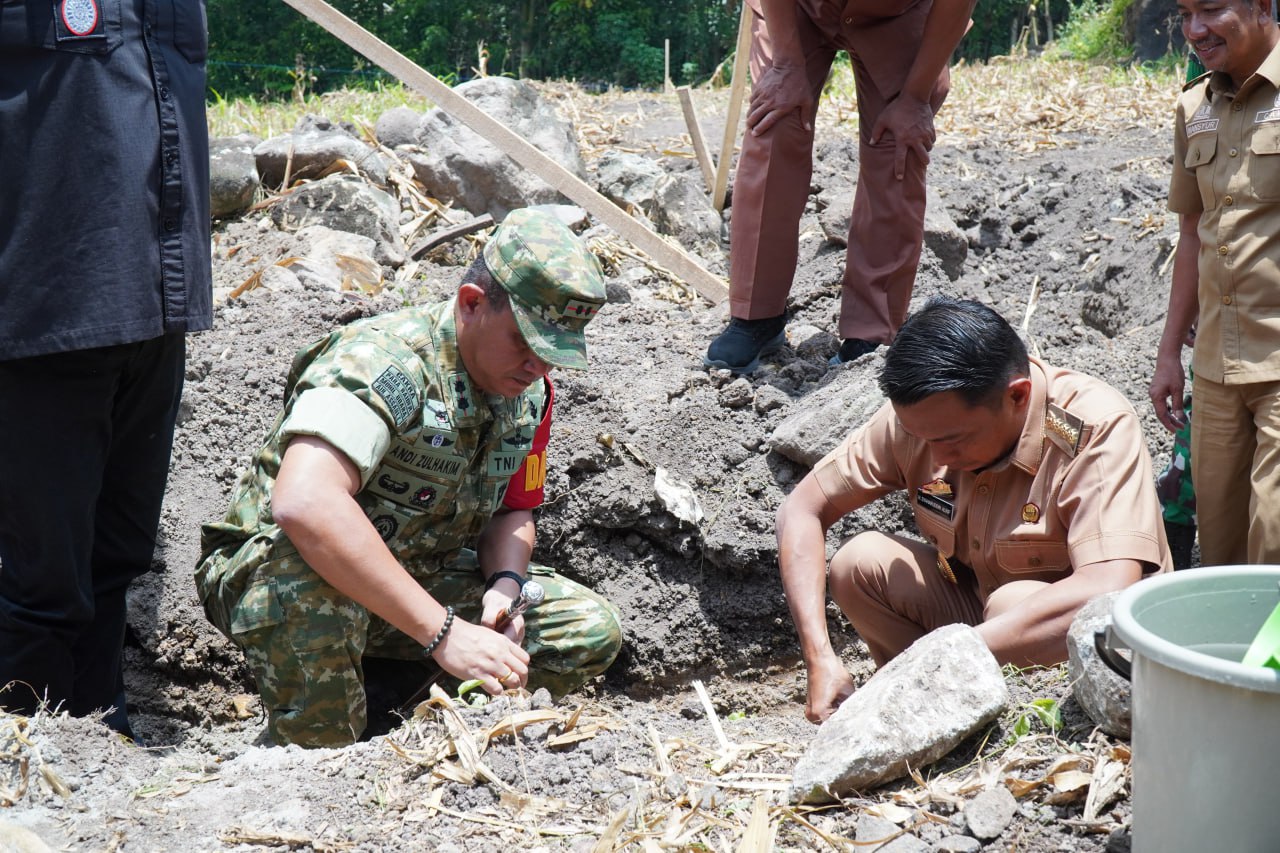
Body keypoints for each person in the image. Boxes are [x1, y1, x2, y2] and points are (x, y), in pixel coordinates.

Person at [196, 209, 623, 748]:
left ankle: (405, 719)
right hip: (288, 570)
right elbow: (304, 501)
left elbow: (513, 508)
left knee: (586, 630)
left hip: (419, 573)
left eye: (553, 353)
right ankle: (315, 748)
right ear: (472, 303)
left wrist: (505, 587)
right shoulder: (380, 363)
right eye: (525, 341)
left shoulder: (528, 393)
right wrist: (444, 634)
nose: (539, 366)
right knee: (308, 596)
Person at [777, 298, 1171, 722]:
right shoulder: (929, 416)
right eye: (920, 437)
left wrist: (936, 662)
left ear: (1017, 396)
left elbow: (1106, 589)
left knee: (1009, 603)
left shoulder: (1093, 427)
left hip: (1096, 645)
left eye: (952, 441)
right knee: (859, 564)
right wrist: (819, 656)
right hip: (977, 617)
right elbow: (801, 510)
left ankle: (989, 713)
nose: (935, 456)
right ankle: (921, 715)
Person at [0, 1, 212, 738]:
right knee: (41, 578)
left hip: (162, 301)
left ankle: (98, 734)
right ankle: (27, 749)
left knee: (116, 557)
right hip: (45, 311)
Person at [703, 0, 975, 374]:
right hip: (797, 7)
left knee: (899, 144)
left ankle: (872, 331)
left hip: (899, 13)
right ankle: (756, 316)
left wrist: (914, 98)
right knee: (776, 121)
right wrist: (786, 65)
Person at [1150, 0, 1280, 565]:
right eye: (1184, 14)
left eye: (1210, 10)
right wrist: (1167, 356)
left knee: (1273, 539)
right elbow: (1192, 235)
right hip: (1216, 369)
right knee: (1221, 551)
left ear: (1261, 6)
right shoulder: (1194, 106)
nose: (1195, 29)